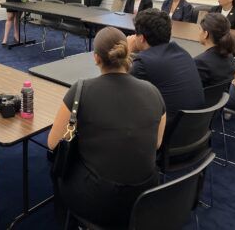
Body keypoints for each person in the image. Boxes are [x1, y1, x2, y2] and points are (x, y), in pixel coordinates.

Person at [48, 27, 166, 228]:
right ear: (127, 53)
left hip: (99, 201)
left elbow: (53, 144)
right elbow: (156, 143)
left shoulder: (81, 90)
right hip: (144, 197)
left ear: (96, 58)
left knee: (57, 171)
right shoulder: (153, 91)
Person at [128, 9, 204, 133]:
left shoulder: (144, 62)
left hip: (165, 134)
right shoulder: (182, 52)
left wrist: (128, 52)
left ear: (141, 38)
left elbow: (120, 89)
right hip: (193, 129)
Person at [194, 13, 235, 87]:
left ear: (205, 34)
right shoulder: (229, 55)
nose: (198, 32)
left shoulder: (200, 62)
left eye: (199, 29)